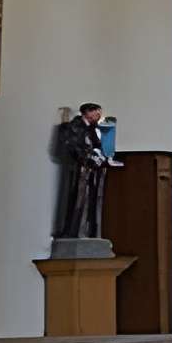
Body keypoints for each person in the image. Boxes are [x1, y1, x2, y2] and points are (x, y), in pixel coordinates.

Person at [50, 102, 113, 243]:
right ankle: (73, 231)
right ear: (87, 113)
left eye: (99, 113)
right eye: (96, 112)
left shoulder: (92, 129)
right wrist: (88, 157)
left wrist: (100, 155)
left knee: (90, 202)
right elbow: (71, 146)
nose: (99, 115)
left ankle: (87, 231)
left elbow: (97, 145)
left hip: (92, 171)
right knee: (77, 201)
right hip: (79, 170)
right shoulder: (74, 127)